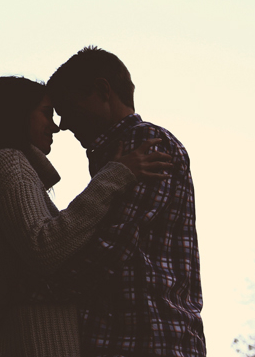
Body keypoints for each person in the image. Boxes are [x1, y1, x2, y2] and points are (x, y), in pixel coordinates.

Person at [0, 76, 172, 357]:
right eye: (46, 113)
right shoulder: (9, 162)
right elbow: (44, 247)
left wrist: (8, 294)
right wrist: (115, 176)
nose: (56, 126)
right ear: (17, 114)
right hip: (40, 341)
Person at [46, 46, 205, 357]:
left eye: (67, 107)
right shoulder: (117, 153)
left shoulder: (144, 143)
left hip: (145, 338)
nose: (62, 124)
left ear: (103, 90)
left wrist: (17, 296)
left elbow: (108, 250)